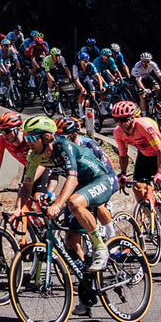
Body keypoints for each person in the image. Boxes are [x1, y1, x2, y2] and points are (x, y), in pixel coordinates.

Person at [22, 115, 117, 270]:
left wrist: (58, 205)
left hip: (99, 179)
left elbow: (72, 178)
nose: (28, 142)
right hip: (80, 187)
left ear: (46, 137)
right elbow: (27, 185)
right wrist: (19, 208)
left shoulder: (66, 146)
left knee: (74, 202)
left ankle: (101, 247)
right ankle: (87, 277)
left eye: (31, 137)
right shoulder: (35, 156)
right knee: (71, 238)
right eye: (26, 138)